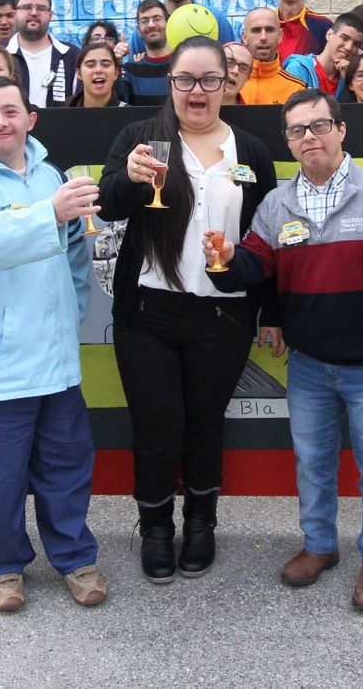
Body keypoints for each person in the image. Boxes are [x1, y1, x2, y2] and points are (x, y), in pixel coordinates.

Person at [205, 90, 363, 614]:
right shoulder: (276, 205)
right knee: (312, 464)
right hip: (309, 364)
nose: (308, 136)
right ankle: (319, 546)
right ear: (288, 141)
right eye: (297, 130)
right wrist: (225, 261)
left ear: (340, 130)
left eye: (318, 125)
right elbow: (253, 268)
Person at [98, 37, 279, 584]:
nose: (196, 91)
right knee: (156, 429)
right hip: (147, 316)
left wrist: (271, 311)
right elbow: (106, 206)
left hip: (222, 320)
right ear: (169, 84)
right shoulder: (140, 139)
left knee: (204, 427)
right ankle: (155, 529)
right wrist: (129, 180)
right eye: (184, 80)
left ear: (228, 81)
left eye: (208, 79)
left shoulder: (251, 152)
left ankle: (201, 525)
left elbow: (266, 241)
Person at [0, 78, 107, 612]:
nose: (1, 121)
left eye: (11, 111)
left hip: (56, 363)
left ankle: (75, 558)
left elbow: (76, 251)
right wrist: (49, 213)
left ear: (31, 118)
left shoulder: (51, 175)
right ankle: (4, 567)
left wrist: (71, 311)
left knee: (66, 470)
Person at [6, 0, 78, 108]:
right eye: (27, 7)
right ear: (14, 14)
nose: (34, 13)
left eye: (41, 8)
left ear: (50, 15)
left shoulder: (72, 55)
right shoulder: (2, 56)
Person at [285, 13, 363, 100]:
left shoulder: (350, 77)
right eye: (344, 38)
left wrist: (349, 80)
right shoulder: (298, 69)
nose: (349, 47)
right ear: (329, 34)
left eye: (356, 44)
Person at [239, 6, 305, 106]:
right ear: (244, 37)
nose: (263, 37)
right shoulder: (229, 86)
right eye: (256, 30)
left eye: (269, 30)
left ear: (280, 36)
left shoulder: (297, 89)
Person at [124, 0, 173, 106]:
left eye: (157, 19)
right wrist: (116, 64)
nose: (151, 25)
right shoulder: (131, 71)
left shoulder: (182, 66)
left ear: (168, 23)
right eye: (144, 21)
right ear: (138, 30)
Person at [67, 42, 125, 108]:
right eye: (90, 65)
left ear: (116, 73)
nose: (98, 70)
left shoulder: (130, 115)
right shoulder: (62, 112)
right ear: (79, 73)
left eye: (106, 64)